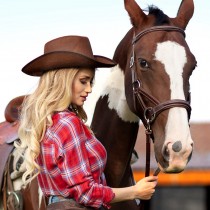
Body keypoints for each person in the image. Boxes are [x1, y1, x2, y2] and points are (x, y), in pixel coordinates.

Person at [16, 35, 158, 210]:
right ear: (63, 80)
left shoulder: (48, 122)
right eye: (83, 81)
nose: (89, 89)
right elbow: (85, 193)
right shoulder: (68, 124)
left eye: (90, 82)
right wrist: (135, 191)